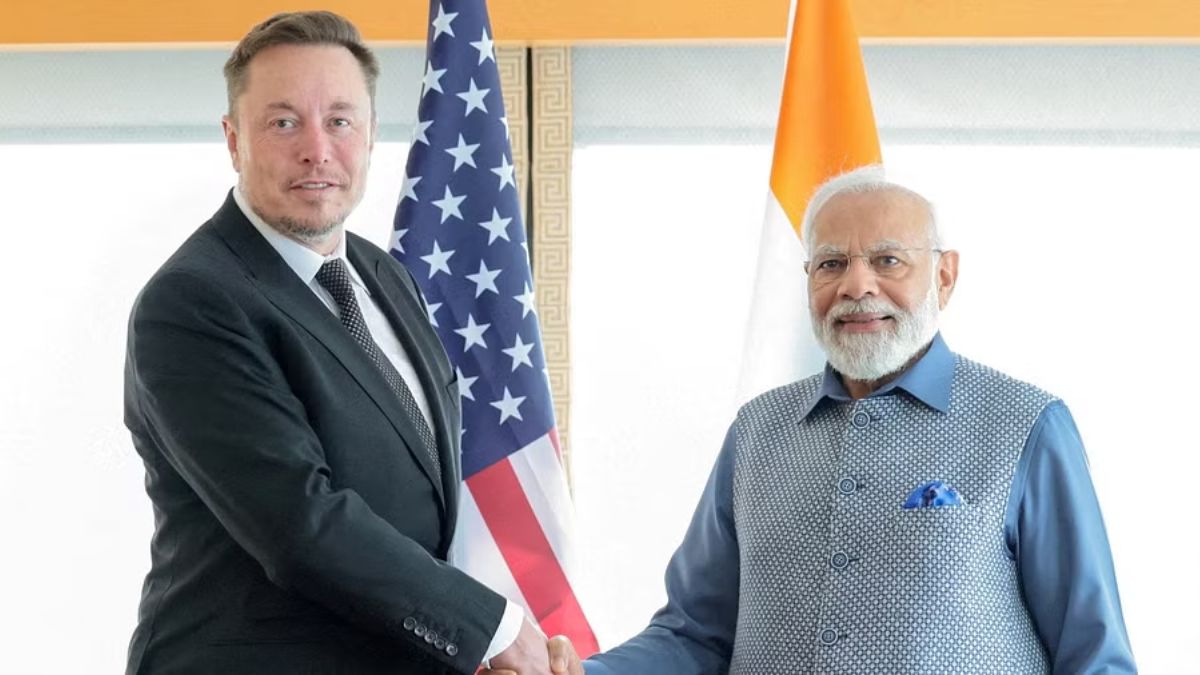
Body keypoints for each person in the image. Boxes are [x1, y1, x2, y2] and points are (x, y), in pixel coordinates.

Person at [123, 11, 578, 674]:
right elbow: (300, 524)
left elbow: (420, 504)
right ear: (233, 139)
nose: (317, 149)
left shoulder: (386, 276)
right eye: (284, 122)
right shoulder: (193, 302)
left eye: (339, 120)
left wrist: (475, 642)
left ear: (369, 134)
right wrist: (490, 630)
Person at [574, 167, 1137, 673]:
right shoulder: (756, 432)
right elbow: (695, 636)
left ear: (944, 277)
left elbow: (1094, 657)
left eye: (888, 260)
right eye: (831, 264)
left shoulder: (1027, 425)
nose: (856, 286)